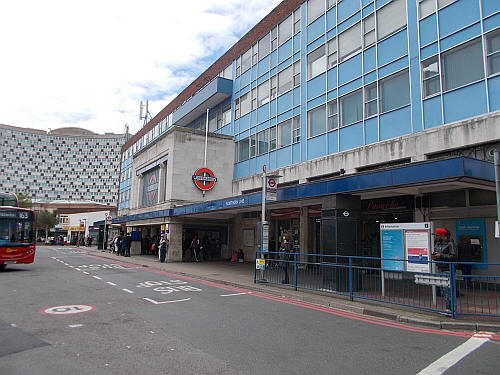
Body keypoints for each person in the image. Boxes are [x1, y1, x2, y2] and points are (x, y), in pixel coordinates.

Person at [431, 227, 457, 311]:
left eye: (437, 235)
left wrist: (441, 256)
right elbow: (435, 253)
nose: (436, 237)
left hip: (448, 269)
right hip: (440, 268)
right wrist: (434, 256)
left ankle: (451, 309)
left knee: (448, 290)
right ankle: (448, 308)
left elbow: (454, 256)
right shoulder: (437, 244)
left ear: (443, 236)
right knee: (443, 290)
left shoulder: (450, 244)